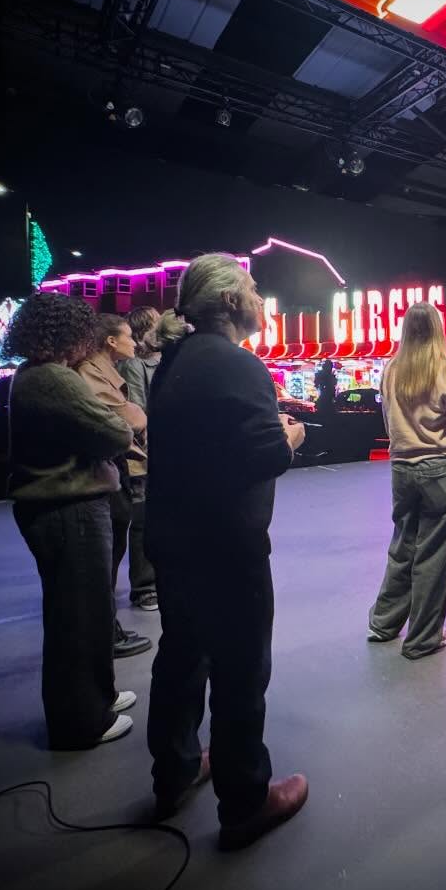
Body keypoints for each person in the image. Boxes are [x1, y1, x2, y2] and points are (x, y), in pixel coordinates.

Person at [144, 252, 309, 847]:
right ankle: (244, 802)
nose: (262, 300)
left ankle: (178, 769)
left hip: (174, 537)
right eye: (256, 290)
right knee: (241, 670)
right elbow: (263, 454)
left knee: (182, 656)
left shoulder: (178, 359)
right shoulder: (239, 365)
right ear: (235, 302)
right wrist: (289, 434)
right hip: (226, 547)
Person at [3, 293, 136, 749]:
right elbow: (116, 431)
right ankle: (81, 722)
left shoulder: (36, 375)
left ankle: (99, 697)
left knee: (89, 611)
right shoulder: (53, 379)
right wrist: (122, 421)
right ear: (68, 333)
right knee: (78, 618)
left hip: (65, 506)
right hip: (68, 508)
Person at [367, 301, 446, 657]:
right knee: (434, 555)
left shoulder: (391, 369)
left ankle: (384, 622)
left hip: (401, 469)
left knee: (403, 546)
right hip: (440, 469)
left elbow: (387, 423)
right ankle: (424, 636)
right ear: (437, 329)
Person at [77, 315, 153, 657]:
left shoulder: (105, 369)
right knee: (105, 559)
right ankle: (103, 634)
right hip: (109, 472)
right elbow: (130, 418)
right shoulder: (91, 371)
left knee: (114, 550)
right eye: (127, 336)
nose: (134, 342)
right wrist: (134, 417)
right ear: (110, 340)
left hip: (117, 470)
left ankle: (106, 629)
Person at [117, 306, 163, 612]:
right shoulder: (135, 365)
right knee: (143, 520)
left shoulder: (165, 360)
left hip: (167, 452)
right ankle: (145, 588)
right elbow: (136, 413)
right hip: (147, 456)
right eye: (158, 321)